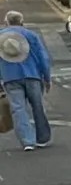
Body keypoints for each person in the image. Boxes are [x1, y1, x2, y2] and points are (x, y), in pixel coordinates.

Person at [0, 11, 53, 151]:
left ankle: (27, 141)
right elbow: (43, 58)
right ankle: (42, 138)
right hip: (32, 75)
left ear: (7, 22)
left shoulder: (1, 36)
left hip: (10, 77)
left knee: (18, 109)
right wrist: (47, 78)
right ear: (22, 22)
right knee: (38, 106)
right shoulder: (31, 35)